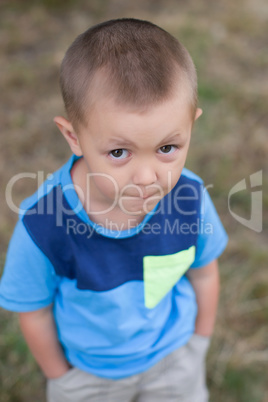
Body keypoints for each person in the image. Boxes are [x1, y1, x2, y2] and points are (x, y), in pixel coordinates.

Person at [0, 18, 228, 402]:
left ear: (191, 125)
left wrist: (199, 342)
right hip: (89, 376)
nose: (146, 176)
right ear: (74, 137)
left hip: (174, 360)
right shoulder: (44, 225)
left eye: (167, 148)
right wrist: (64, 379)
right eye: (119, 152)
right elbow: (34, 310)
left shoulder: (189, 198)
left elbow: (204, 273)